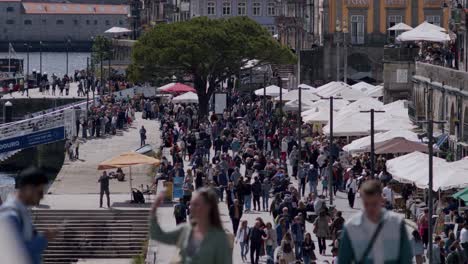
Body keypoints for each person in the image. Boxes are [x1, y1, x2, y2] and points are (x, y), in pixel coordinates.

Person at [149, 187, 232, 264]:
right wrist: (154, 210)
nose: (191, 208)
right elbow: (157, 235)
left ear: (208, 207)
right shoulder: (185, 230)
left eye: (196, 204)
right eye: (191, 204)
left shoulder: (220, 238)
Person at [338, 180, 412, 264]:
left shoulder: (397, 224)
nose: (370, 208)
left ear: (382, 200)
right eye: (366, 204)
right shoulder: (351, 227)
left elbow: (406, 259)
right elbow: (343, 260)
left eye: (374, 203)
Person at [0, 167, 59, 264]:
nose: (42, 197)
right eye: (40, 192)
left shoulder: (20, 212)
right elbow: (15, 253)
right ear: (28, 189)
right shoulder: (9, 216)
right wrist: (44, 238)